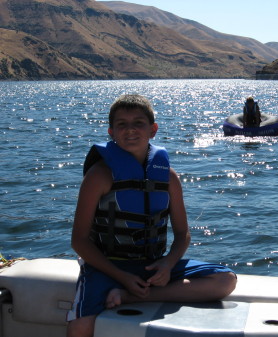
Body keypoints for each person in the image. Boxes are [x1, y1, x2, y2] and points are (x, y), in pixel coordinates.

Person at [66, 94, 237, 337]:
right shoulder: (99, 176)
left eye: (138, 123)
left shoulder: (168, 177)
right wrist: (121, 276)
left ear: (153, 130)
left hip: (152, 265)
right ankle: (125, 289)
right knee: (80, 326)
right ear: (111, 132)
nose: (130, 130)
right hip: (106, 267)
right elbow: (79, 240)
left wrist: (168, 264)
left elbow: (181, 234)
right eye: (121, 125)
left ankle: (128, 298)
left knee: (225, 280)